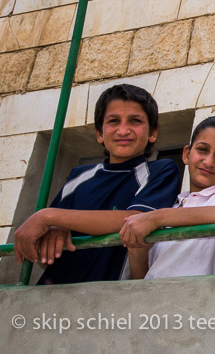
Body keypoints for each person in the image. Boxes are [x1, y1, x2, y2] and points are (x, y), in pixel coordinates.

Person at [13, 84, 181, 284]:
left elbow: (137, 219)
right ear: (99, 133)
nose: (123, 130)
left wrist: (48, 216)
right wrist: (54, 225)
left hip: (108, 298)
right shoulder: (78, 176)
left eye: (135, 121)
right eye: (113, 121)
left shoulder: (161, 170)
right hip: (51, 293)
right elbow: (48, 242)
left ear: (153, 132)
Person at [120, 116, 215, 279]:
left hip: (207, 302)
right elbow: (140, 280)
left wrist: (157, 218)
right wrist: (138, 251)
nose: (209, 161)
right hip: (155, 302)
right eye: (202, 149)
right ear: (186, 154)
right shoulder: (174, 205)